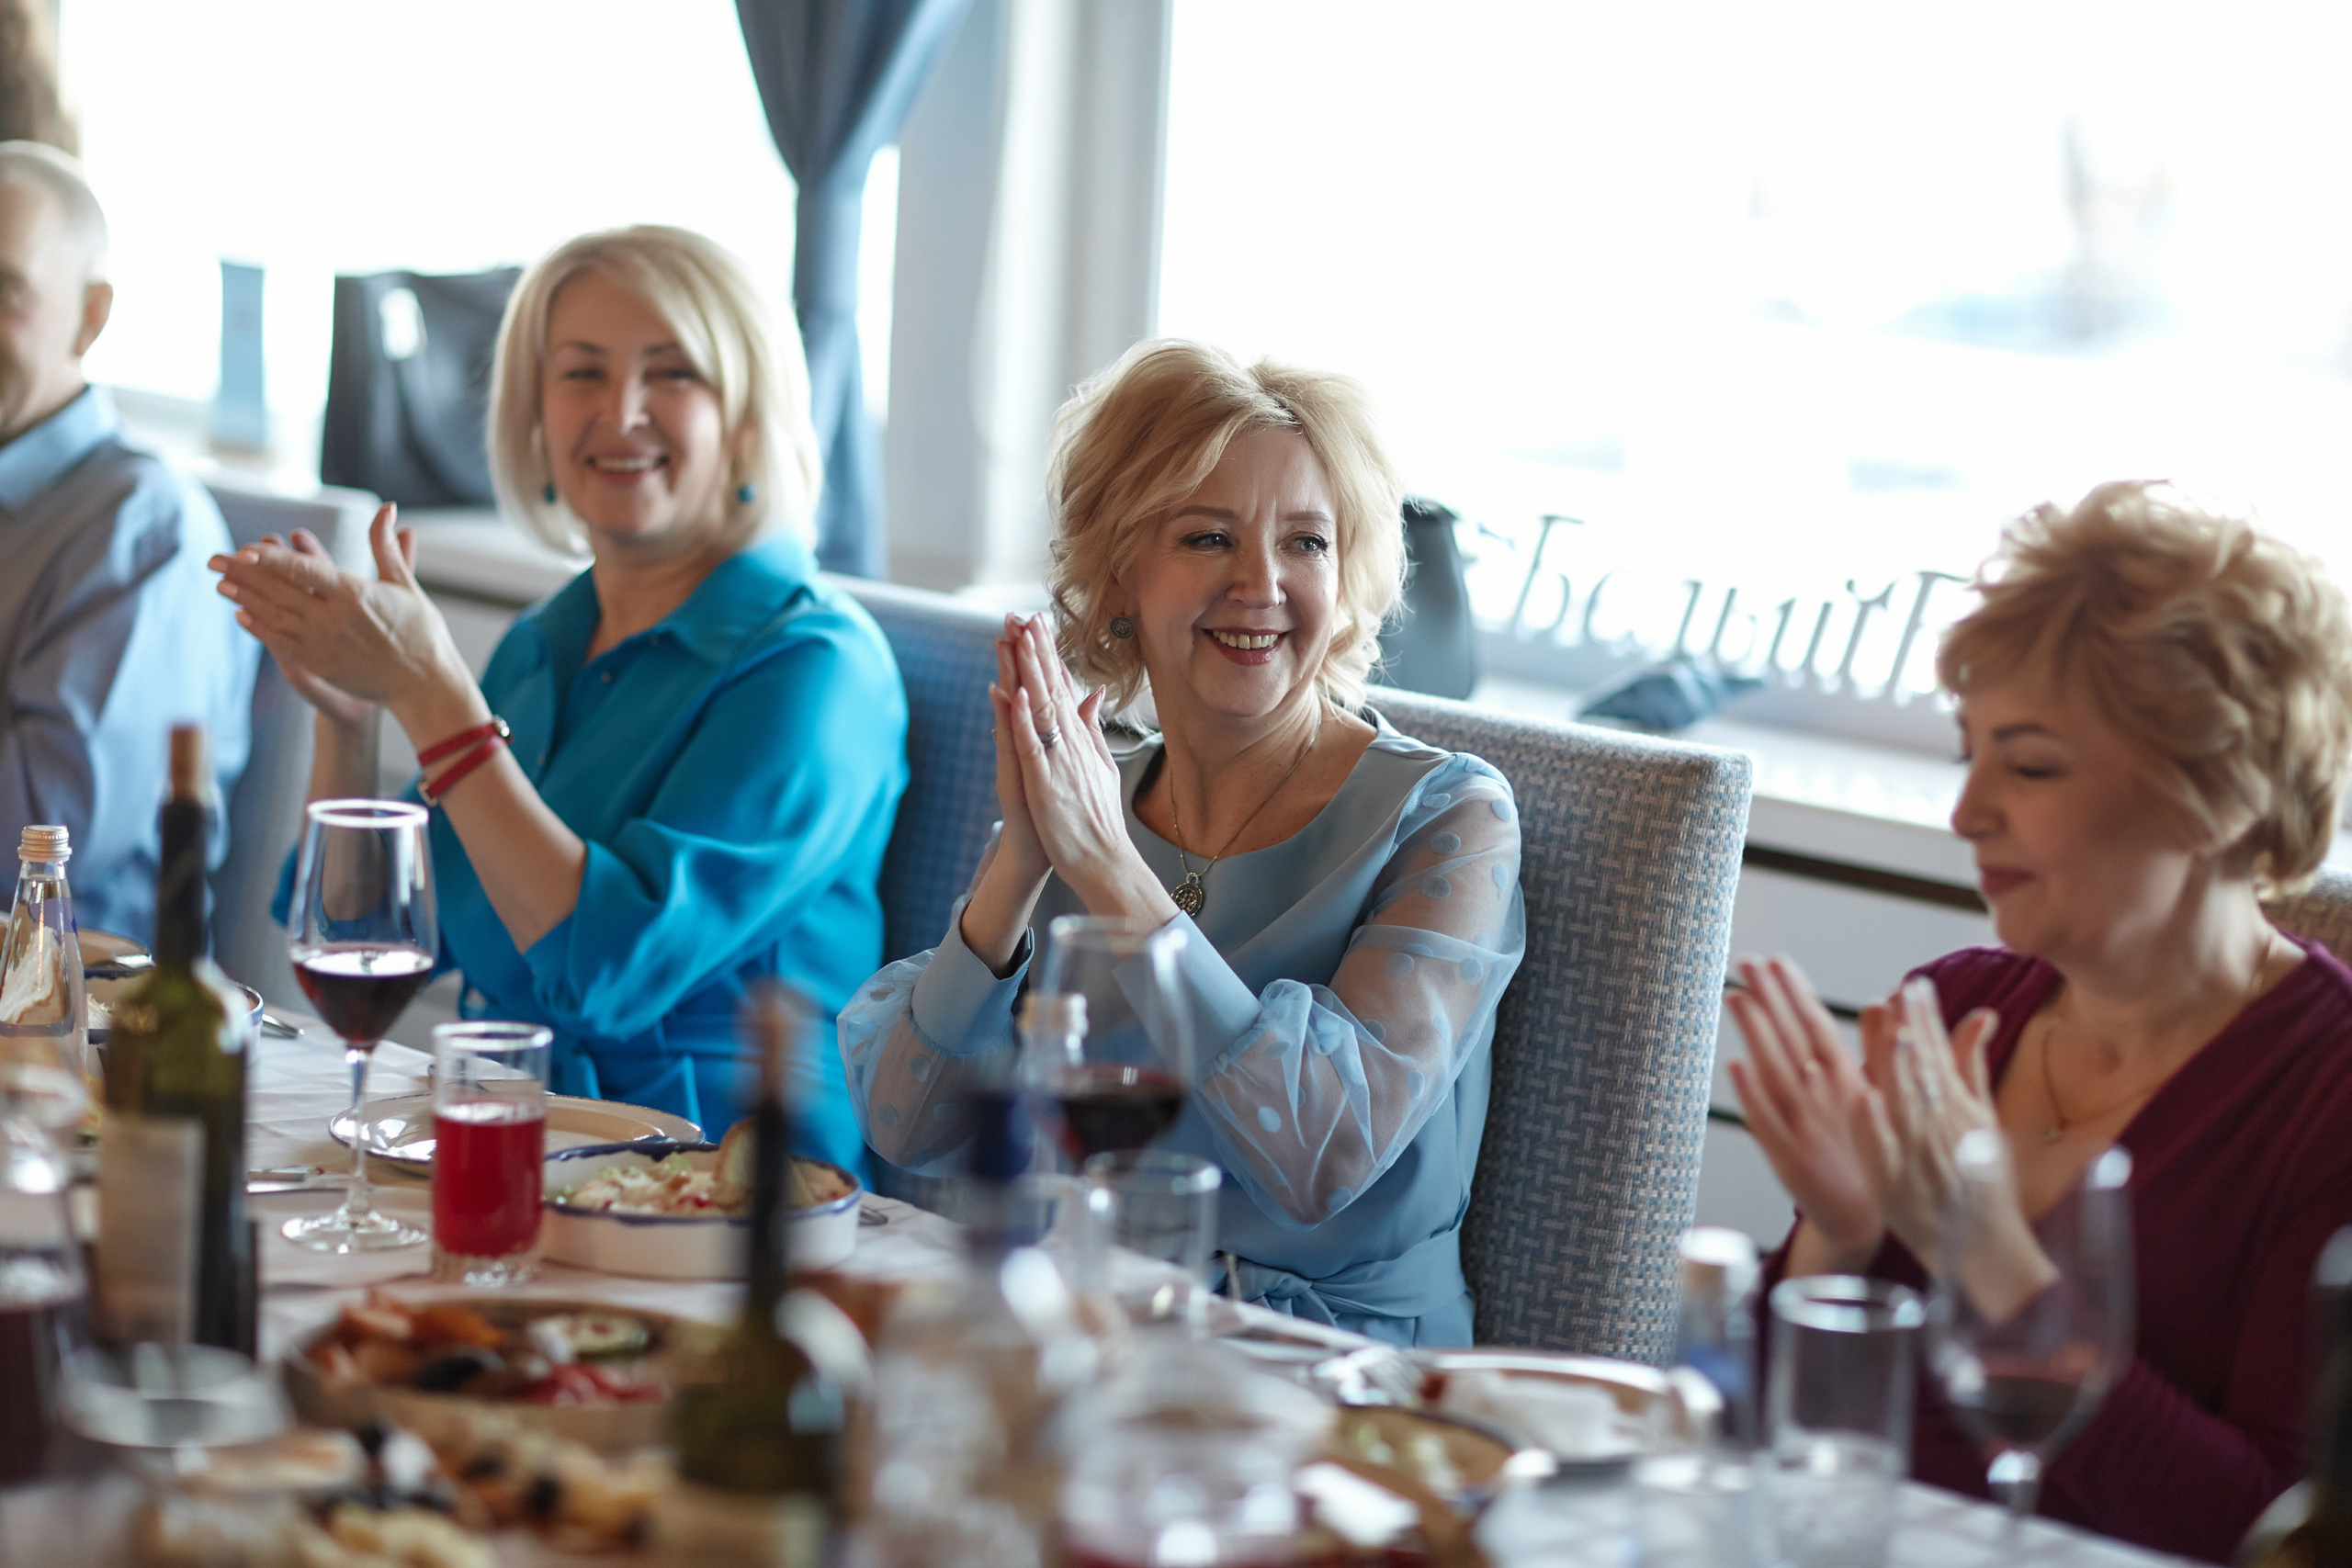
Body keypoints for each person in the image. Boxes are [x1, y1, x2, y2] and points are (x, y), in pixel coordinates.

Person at [840, 340, 1525, 1347]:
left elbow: (1320, 1151)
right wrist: (1023, 862)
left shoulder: (1451, 818)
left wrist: (1112, 874)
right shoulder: (1084, 800)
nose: (1261, 582)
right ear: (1121, 572)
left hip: (1333, 1372)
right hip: (1091, 1332)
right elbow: (908, 1123)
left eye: (1306, 542)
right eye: (1208, 537)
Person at [1727, 480, 2352, 1561]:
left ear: (2223, 791)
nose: (1967, 812)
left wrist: (1984, 1254)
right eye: (1966, 754)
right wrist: (1838, 1236)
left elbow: (2271, 1533)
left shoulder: (2328, 1095)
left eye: (2028, 765)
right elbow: (1768, 1444)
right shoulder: (1951, 1006)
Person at [210, 226, 906, 1175]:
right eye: (582, 373)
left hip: (721, 1180)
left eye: (673, 374)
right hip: (507, 1136)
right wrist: (350, 719)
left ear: (748, 417)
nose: (621, 412)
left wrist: (431, 693)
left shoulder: (820, 669)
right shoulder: (544, 642)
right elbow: (361, 936)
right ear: (534, 417)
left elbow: (608, 968)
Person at [0, 141, 254, 942]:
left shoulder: (142, 527)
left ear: (91, 316)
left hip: (76, 1000)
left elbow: (37, 841)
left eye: (6, 289)